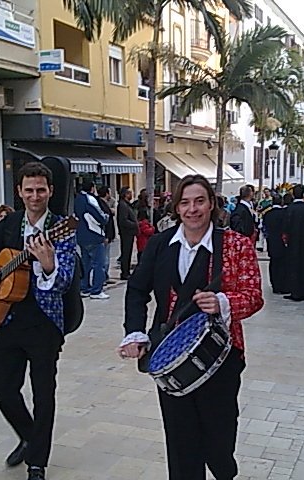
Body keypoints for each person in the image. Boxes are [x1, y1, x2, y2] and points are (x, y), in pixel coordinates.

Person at [118, 174, 264, 480]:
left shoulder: (236, 245)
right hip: (169, 359)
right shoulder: (160, 245)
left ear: (211, 204)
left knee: (218, 440)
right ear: (176, 208)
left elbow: (253, 297)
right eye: (184, 202)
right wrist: (135, 332)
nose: (192, 209)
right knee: (181, 443)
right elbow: (136, 290)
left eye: (199, 201)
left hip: (222, 357)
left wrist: (223, 302)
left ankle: (224, 468)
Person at [0, 162, 76, 480]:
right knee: (1, 386)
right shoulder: (8, 225)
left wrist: (49, 265)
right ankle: (28, 435)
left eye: (41, 189)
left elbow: (64, 280)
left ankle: (37, 462)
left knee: (43, 394)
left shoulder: (62, 229)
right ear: (20, 192)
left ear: (50, 191)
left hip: (44, 324)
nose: (35, 196)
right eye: (29, 190)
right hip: (7, 320)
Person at [74, 180, 109, 300]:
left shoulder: (77, 199)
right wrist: (106, 218)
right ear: (92, 188)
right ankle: (96, 290)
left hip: (81, 235)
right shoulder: (91, 199)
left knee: (86, 263)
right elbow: (98, 215)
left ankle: (84, 288)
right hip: (94, 234)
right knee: (99, 264)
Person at [262, 193, 289, 294]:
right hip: (282, 241)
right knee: (283, 263)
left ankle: (274, 284)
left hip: (272, 241)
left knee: (273, 263)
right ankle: (282, 284)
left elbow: (264, 228)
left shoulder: (267, 214)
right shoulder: (285, 213)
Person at [117, 186, 138, 280]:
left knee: (128, 253)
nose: (131, 195)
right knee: (126, 253)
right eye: (130, 193)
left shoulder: (127, 205)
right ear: (125, 194)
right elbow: (123, 220)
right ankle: (125, 272)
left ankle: (126, 271)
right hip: (126, 233)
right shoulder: (123, 205)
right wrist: (134, 224)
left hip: (129, 233)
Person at [97, 186, 116, 282]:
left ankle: (105, 276)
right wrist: (106, 236)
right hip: (105, 235)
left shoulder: (103, 204)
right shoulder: (101, 205)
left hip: (107, 235)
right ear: (106, 193)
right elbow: (104, 222)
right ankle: (103, 278)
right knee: (104, 258)